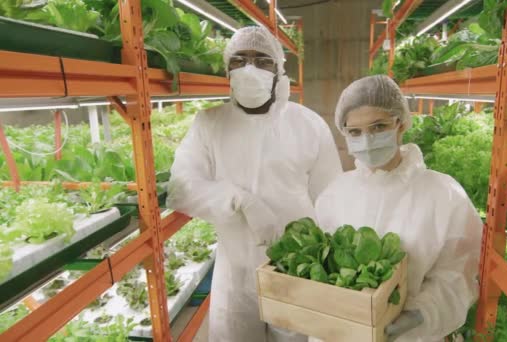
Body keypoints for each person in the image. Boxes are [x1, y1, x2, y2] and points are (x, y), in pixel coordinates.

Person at [167, 26, 342, 342]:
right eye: (239, 60)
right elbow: (181, 186)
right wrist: (239, 199)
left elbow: (332, 200)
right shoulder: (209, 124)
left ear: (278, 70)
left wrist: (330, 272)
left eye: (262, 61)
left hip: (297, 269)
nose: (250, 69)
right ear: (227, 70)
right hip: (235, 272)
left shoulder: (308, 124)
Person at [314, 75, 483, 342]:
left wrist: (421, 314)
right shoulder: (335, 193)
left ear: (401, 123)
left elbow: (458, 276)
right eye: (355, 132)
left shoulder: (444, 195)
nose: (367, 140)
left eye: (378, 127)